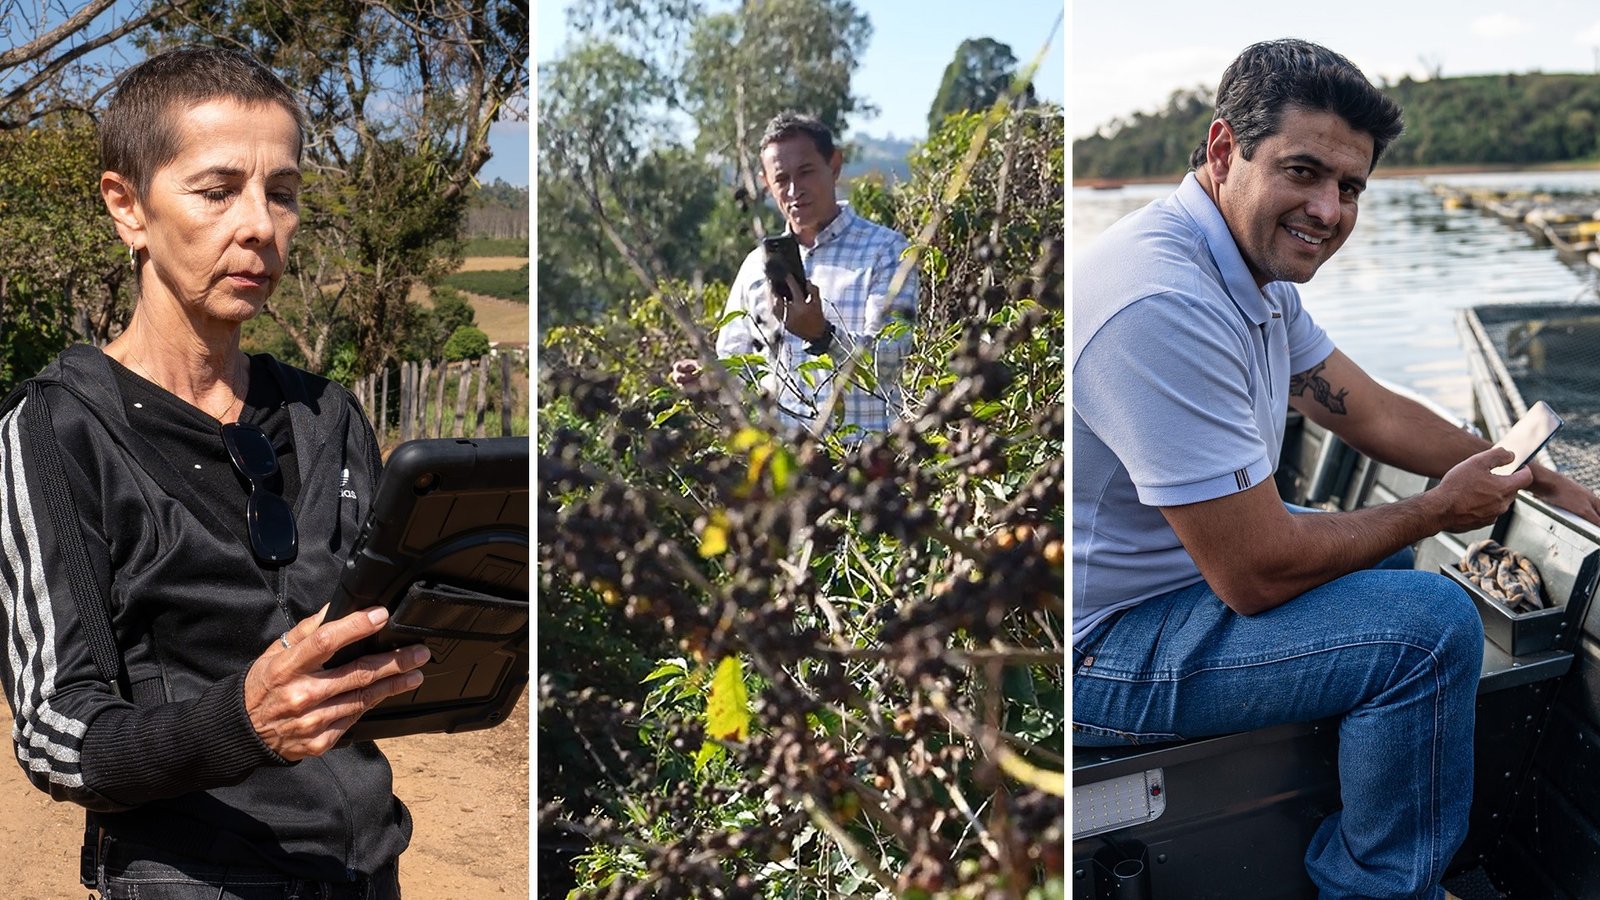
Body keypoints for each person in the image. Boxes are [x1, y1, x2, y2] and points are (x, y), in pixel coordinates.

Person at [1072, 38, 1600, 899]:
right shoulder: (1163, 300)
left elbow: (1371, 410)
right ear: (1223, 150)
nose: (1327, 209)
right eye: (1303, 172)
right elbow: (1254, 573)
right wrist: (1438, 509)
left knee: (1390, 567)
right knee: (1430, 627)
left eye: (1349, 187)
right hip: (1099, 651)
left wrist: (1533, 473)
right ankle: (1382, 889)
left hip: (1174, 592)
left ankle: (1355, 830)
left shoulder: (1249, 269)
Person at [0, 48, 428, 898]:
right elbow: (55, 730)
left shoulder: (328, 415)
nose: (261, 226)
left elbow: (379, 638)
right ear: (127, 206)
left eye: (284, 193)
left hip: (364, 872)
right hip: (189, 880)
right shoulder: (56, 431)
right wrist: (240, 724)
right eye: (217, 190)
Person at [672, 112, 918, 436]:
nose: (794, 190)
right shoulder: (755, 267)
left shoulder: (886, 250)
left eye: (806, 172)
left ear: (834, 165)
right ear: (766, 183)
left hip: (867, 459)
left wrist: (823, 336)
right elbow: (736, 369)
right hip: (785, 462)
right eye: (781, 179)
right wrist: (705, 380)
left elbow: (891, 359)